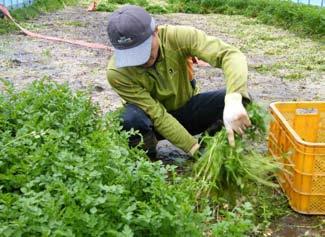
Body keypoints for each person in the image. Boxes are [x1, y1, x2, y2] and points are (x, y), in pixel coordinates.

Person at [106, 5, 251, 158]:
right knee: (129, 119)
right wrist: (192, 148)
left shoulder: (179, 37)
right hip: (152, 123)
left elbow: (230, 54)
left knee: (242, 100)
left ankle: (211, 152)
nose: (142, 60)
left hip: (187, 111)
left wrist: (234, 98)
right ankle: (147, 164)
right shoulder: (117, 73)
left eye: (144, 49)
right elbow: (158, 115)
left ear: (155, 31)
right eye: (132, 55)